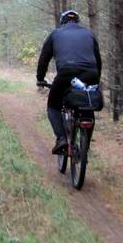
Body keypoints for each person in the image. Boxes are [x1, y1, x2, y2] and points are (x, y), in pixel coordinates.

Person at [36, 10, 102, 155]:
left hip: (66, 73)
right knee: (87, 106)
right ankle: (85, 147)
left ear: (62, 21)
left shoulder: (56, 34)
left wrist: (40, 78)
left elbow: (44, 59)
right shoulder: (89, 34)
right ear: (77, 21)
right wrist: (97, 79)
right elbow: (98, 60)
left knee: (53, 106)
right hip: (91, 73)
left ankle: (61, 139)